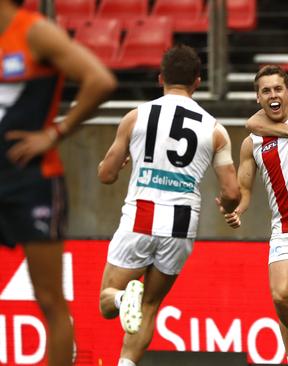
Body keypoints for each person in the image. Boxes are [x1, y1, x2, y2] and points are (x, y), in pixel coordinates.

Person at [96, 44, 240, 366]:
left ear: (160, 78)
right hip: (182, 222)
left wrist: (117, 166)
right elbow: (231, 190)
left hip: (142, 212)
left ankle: (122, 297)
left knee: (108, 303)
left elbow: (106, 175)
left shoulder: (137, 116)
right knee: (149, 306)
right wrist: (229, 206)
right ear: (198, 82)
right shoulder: (215, 129)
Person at [0, 0, 116, 364]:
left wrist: (55, 133)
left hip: (33, 181)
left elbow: (101, 80)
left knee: (49, 299)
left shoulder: (34, 31)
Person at [220, 65, 288, 366]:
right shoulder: (250, 142)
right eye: (265, 91)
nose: (273, 95)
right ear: (258, 98)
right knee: (283, 298)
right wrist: (237, 209)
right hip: (286, 228)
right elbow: (244, 187)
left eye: (278, 89)